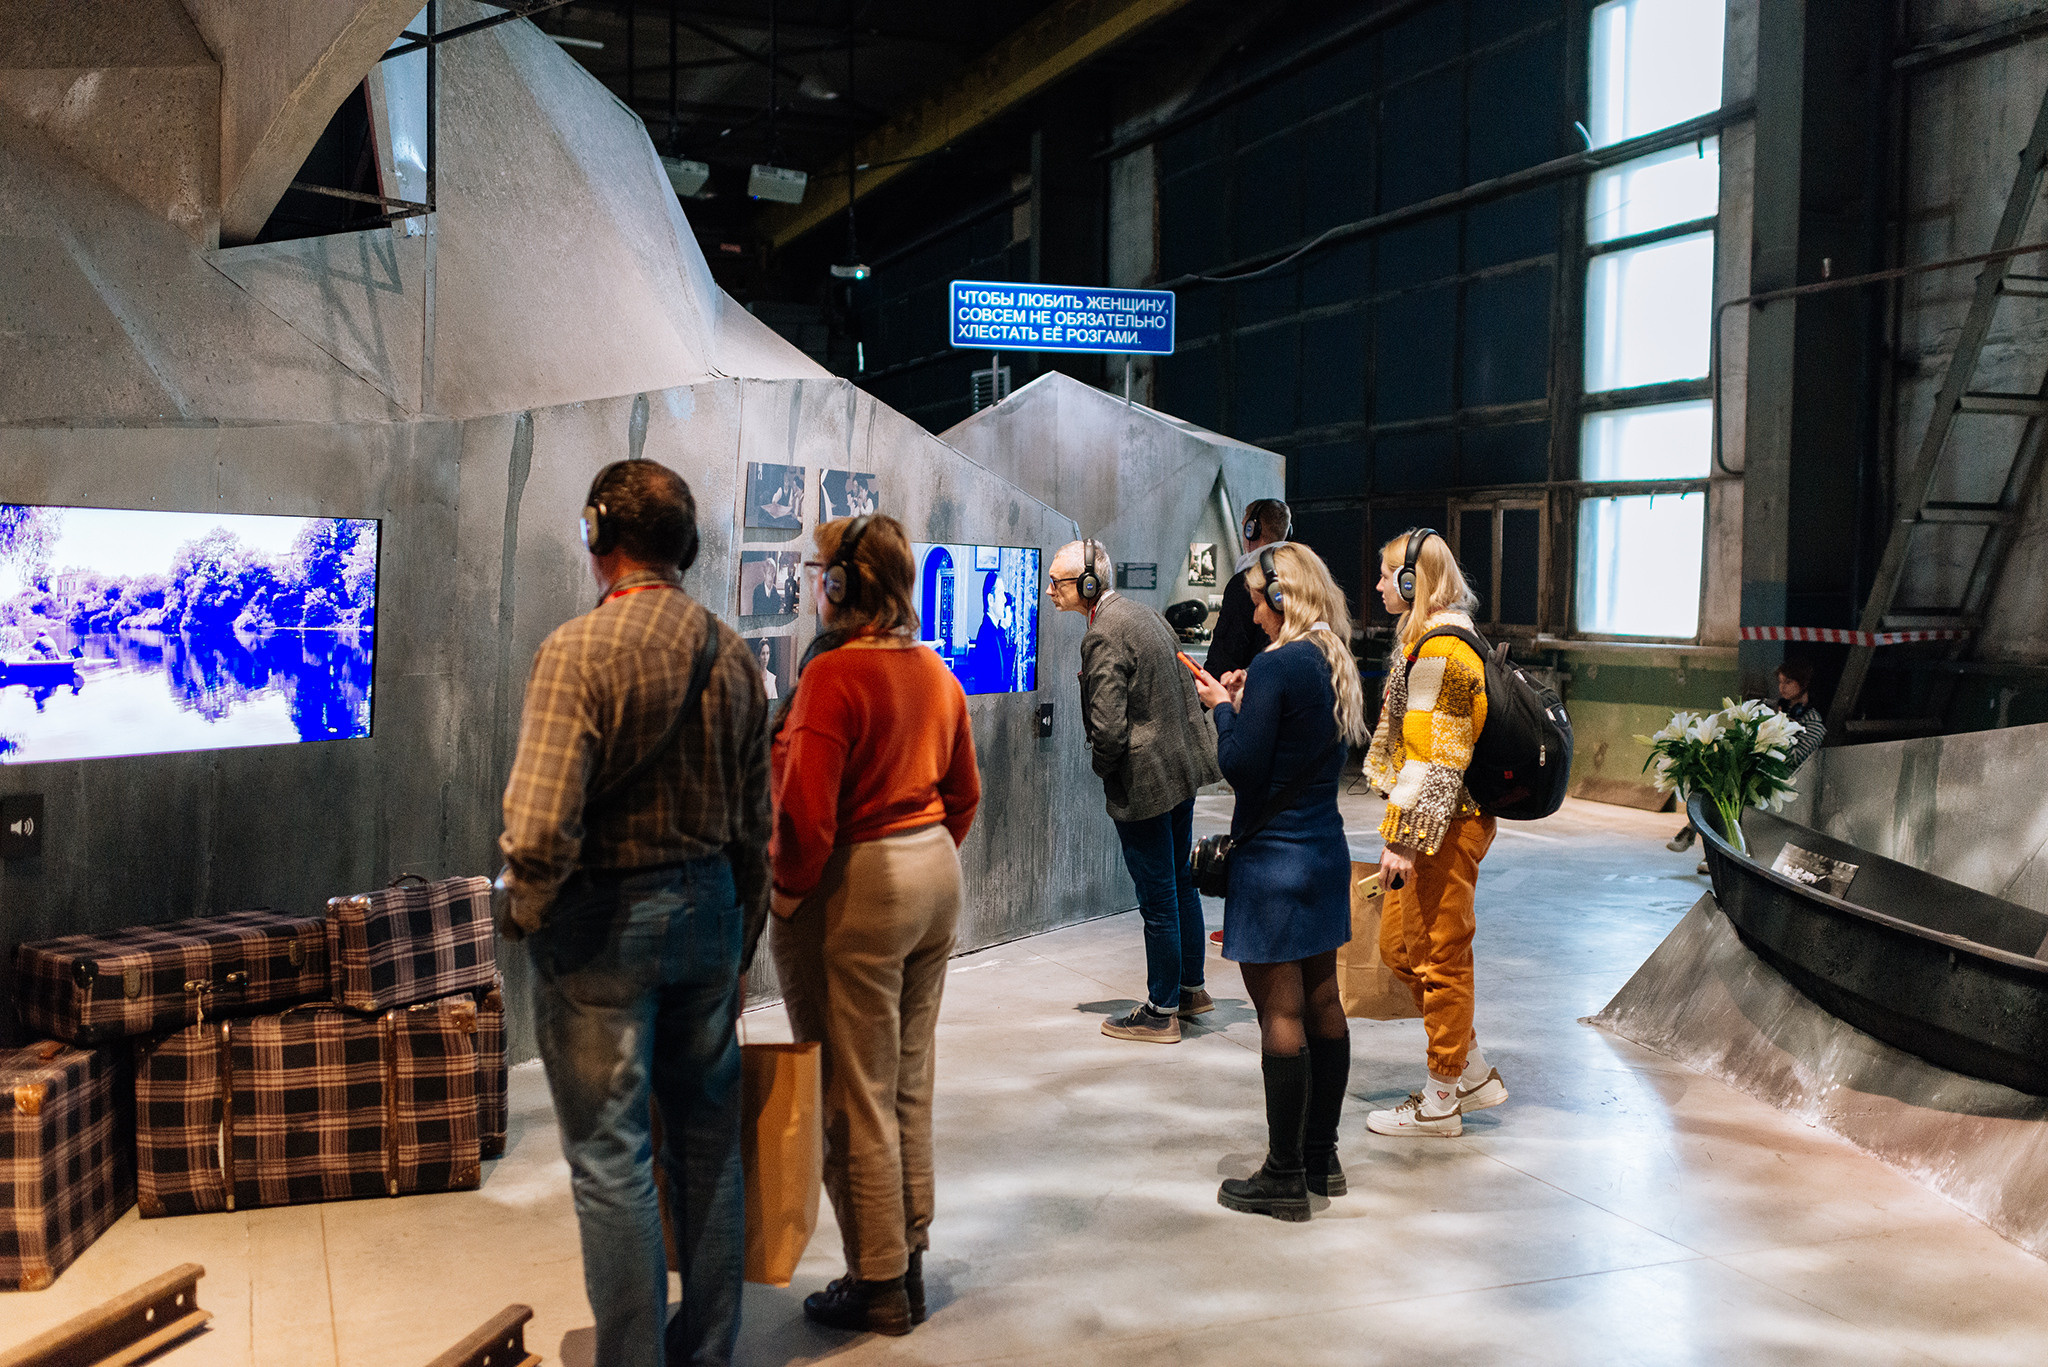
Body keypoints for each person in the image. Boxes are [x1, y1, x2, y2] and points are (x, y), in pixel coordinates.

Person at [497, 459, 771, 1367]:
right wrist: (740, 948)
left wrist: (527, 912)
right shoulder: (733, 655)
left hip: (602, 930)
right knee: (709, 1148)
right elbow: (754, 828)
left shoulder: (575, 652)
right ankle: (709, 1352)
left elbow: (539, 828)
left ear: (596, 534)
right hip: (711, 918)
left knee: (612, 1159)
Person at [771, 514, 981, 1337]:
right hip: (934, 872)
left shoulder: (833, 678)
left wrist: (787, 896)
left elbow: (806, 819)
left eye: (819, 570)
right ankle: (911, 1253)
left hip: (864, 882)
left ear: (842, 584)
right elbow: (963, 794)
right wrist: (923, 848)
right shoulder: (933, 668)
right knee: (906, 1079)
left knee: (853, 1089)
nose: (812, 583)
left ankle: (879, 1280)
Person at [1190, 543, 1370, 1220]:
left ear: (1283, 598)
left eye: (1259, 601)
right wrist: (1247, 699)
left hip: (1272, 862)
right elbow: (1293, 741)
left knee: (1282, 1014)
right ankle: (1322, 1157)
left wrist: (1222, 705)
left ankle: (1283, 1174)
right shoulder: (1330, 656)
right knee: (1324, 1002)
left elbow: (1240, 765)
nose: (1255, 615)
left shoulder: (1275, 664)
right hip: (1324, 852)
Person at [1361, 528, 1506, 1138]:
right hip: (1429, 824)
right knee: (1401, 950)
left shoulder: (1445, 653)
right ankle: (1469, 1071)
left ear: (1413, 582)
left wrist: (1404, 841)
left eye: (1387, 573)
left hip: (1446, 826)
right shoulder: (1426, 643)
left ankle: (1442, 1100)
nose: (1378, 585)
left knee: (1441, 957)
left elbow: (1436, 761)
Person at [1048, 537, 1221, 1042]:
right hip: (1179, 774)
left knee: (1157, 898)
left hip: (1146, 783)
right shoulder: (1145, 616)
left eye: (1058, 582)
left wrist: (1106, 770)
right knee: (1179, 884)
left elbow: (1107, 729)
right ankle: (1191, 989)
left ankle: (1161, 1009)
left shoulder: (1102, 634)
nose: (1051, 590)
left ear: (1087, 584)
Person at [1667, 659, 1826, 868]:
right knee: (1721, 776)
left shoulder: (1812, 722)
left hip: (1783, 778)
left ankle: (1707, 840)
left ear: (1803, 684)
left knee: (1736, 788)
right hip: (1760, 769)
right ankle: (1706, 839)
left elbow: (1795, 758)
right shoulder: (1775, 711)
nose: (1782, 687)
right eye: (1780, 682)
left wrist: (1768, 742)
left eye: (1788, 682)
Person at [1205, 498, 1292, 678]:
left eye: (1245, 526)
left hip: (1249, 692)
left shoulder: (1245, 582)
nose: (1257, 617)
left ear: (1252, 529)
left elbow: (1225, 654)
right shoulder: (1299, 576)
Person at [961, 571, 1017, 693]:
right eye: (1001, 593)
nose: (1004, 599)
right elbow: (999, 680)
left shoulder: (992, 630)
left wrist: (1003, 627)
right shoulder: (988, 634)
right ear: (991, 600)